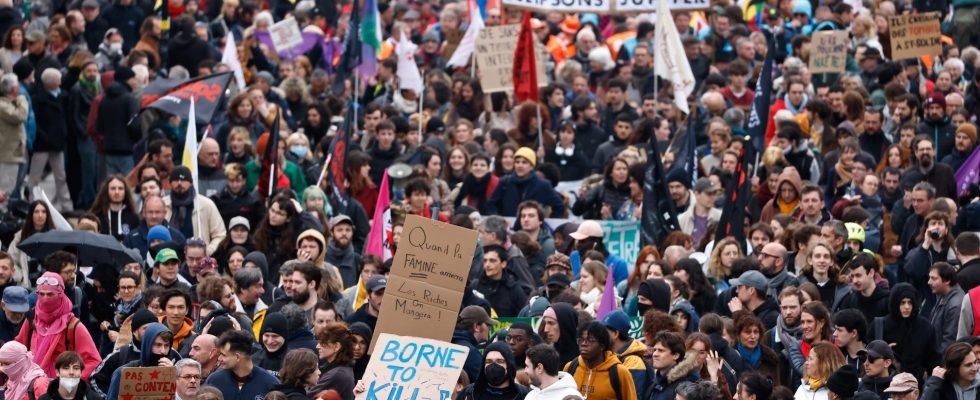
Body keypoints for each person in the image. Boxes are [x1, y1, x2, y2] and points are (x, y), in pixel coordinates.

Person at [15, 272, 101, 379]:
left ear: (60, 295)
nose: (45, 299)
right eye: (41, 294)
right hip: (31, 386)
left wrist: (70, 381)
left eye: (50, 294)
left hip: (61, 391)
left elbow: (94, 362)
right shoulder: (32, 320)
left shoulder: (73, 326)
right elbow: (17, 351)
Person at [90, 309, 160, 396]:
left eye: (154, 327)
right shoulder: (119, 355)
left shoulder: (170, 353)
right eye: (145, 328)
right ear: (134, 332)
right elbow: (95, 380)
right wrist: (112, 396)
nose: (151, 331)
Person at [163, 166, 228, 255]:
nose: (179, 183)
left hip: (198, 259)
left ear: (191, 182)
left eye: (183, 180)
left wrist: (207, 251)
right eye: (176, 180)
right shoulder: (162, 205)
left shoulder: (206, 205)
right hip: (169, 258)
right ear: (170, 183)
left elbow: (220, 235)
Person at [106, 323, 179, 400]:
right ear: (147, 345)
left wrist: (174, 376)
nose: (163, 351)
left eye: (166, 345)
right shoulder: (122, 373)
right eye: (158, 345)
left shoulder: (177, 373)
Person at [486, 147, 565, 217]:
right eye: (517, 162)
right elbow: (491, 205)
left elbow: (559, 206)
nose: (520, 165)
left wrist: (544, 222)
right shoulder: (505, 182)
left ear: (531, 166)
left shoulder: (543, 184)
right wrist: (498, 220)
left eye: (524, 162)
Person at [205, 331, 280, 400]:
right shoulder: (214, 380)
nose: (219, 358)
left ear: (237, 357)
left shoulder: (270, 383)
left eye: (223, 355)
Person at [456, 341, 530, 400]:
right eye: (489, 361)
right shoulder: (469, 393)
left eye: (500, 361)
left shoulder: (525, 395)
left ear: (509, 365)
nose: (493, 365)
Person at [603, 310, 651, 396]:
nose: (599, 334)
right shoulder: (606, 354)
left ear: (615, 334)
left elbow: (633, 395)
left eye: (604, 331)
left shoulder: (634, 362)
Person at [471, 244, 527, 318]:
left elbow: (522, 317)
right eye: (485, 261)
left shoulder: (514, 289)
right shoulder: (475, 285)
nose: (487, 265)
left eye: (492, 261)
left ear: (503, 264)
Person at [308, 322, 354, 400]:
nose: (317, 346)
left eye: (322, 343)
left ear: (337, 346)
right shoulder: (341, 370)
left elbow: (307, 397)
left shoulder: (337, 374)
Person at [645, 331, 697, 400]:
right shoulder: (655, 383)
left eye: (661, 350)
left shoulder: (686, 387)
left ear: (676, 355)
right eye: (655, 350)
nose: (655, 354)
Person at [452, 305, 496, 383]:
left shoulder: (449, 342)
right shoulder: (471, 353)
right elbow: (484, 384)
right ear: (476, 326)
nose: (489, 328)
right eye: (487, 324)